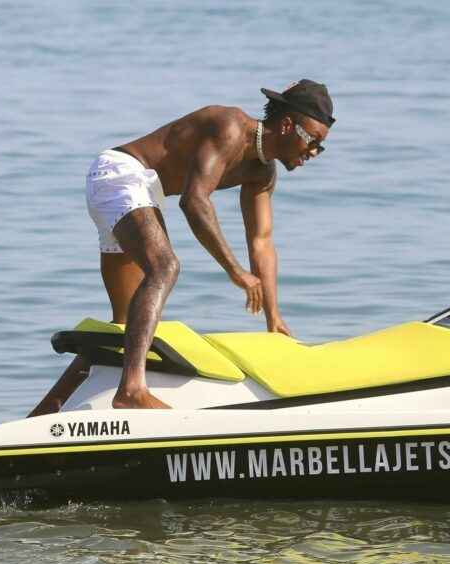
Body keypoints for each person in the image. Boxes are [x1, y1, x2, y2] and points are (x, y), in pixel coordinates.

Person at [30, 79, 335, 414]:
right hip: (121, 173)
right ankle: (131, 390)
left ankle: (42, 416)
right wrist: (235, 271)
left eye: (320, 148)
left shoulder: (261, 173)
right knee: (165, 268)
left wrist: (273, 317)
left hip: (136, 191)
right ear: (288, 125)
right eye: (313, 140)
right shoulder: (231, 126)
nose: (313, 152)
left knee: (123, 328)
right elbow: (194, 201)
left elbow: (261, 241)